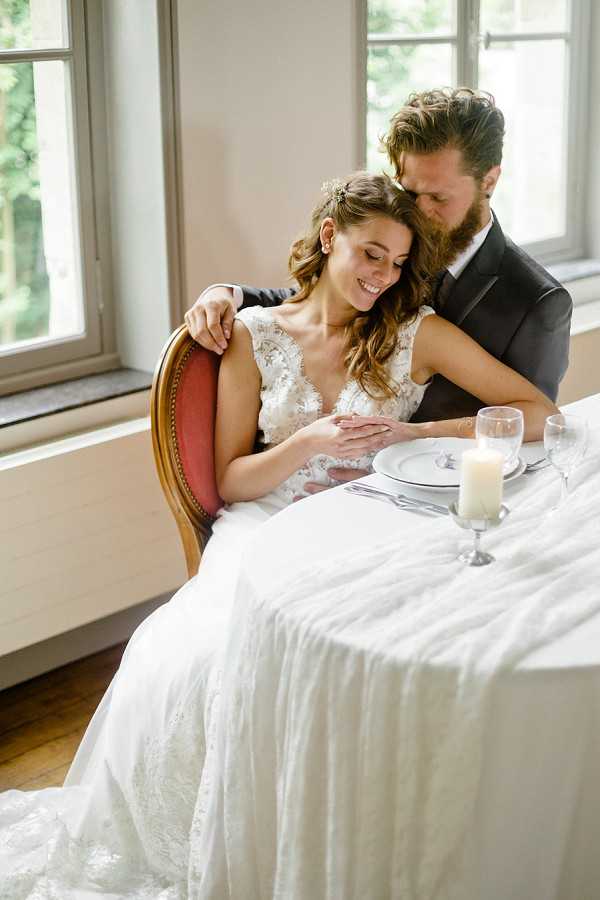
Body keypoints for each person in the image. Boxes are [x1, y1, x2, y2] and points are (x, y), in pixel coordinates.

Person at [0, 172, 557, 898]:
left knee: (377, 656)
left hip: (374, 521)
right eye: (370, 255)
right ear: (330, 237)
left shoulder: (417, 332)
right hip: (265, 520)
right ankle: (214, 839)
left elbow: (537, 410)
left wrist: (410, 431)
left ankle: (327, 838)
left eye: (395, 264)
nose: (382, 278)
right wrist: (310, 443)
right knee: (194, 654)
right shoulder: (255, 336)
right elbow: (232, 479)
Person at [185, 88, 572, 489]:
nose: (419, 213)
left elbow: (527, 437)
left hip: (442, 491)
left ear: (489, 180)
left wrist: (403, 459)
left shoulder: (537, 303)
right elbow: (321, 307)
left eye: (438, 197)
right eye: (410, 193)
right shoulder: (395, 242)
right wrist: (227, 292)